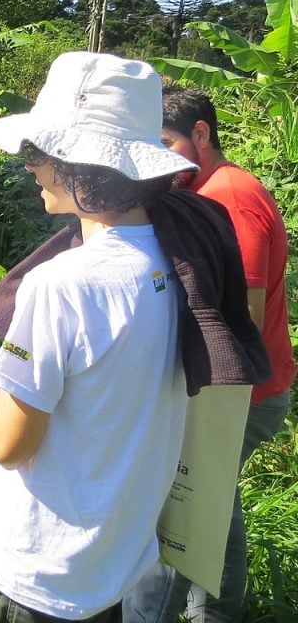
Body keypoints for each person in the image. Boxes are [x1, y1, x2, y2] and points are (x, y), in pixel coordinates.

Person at [0, 52, 199, 621]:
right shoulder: (180, 260)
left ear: (81, 165)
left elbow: (8, 440)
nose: (30, 168)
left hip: (34, 576)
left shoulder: (62, 283)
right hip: (110, 566)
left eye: (38, 155)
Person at [122, 88, 294, 623]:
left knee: (181, 511)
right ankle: (216, 613)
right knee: (213, 506)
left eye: (168, 143)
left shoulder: (229, 197)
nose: (162, 158)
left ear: (202, 134)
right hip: (245, 386)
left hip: (236, 390)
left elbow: (240, 308)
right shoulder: (206, 187)